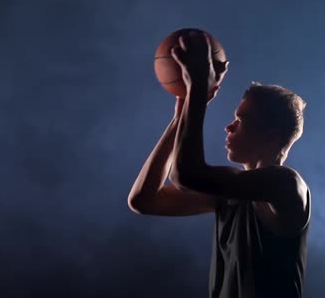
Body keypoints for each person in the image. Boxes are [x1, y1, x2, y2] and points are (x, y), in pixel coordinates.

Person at [128, 32, 310, 298]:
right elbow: (144, 200)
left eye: (241, 120)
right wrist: (179, 119)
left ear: (270, 135)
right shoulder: (230, 197)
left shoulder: (286, 185)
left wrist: (198, 87)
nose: (229, 126)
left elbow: (187, 174)